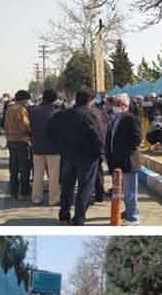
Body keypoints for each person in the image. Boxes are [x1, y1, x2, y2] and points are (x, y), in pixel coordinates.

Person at [56, 88, 105, 225]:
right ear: (90, 100)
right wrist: (99, 153)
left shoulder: (64, 114)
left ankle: (64, 216)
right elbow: (98, 137)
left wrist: (61, 148)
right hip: (87, 157)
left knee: (67, 186)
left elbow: (52, 132)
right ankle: (78, 218)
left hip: (68, 156)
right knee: (85, 188)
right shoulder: (91, 115)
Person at [107, 93, 144, 224]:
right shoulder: (115, 119)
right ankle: (128, 212)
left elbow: (138, 138)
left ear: (125, 106)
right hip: (117, 161)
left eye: (118, 105)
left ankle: (133, 217)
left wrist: (125, 150)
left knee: (130, 192)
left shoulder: (131, 119)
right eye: (115, 104)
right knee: (123, 192)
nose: (115, 107)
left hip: (128, 161)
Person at [30, 88, 61, 206]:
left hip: (37, 147)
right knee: (54, 175)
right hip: (54, 148)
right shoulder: (57, 112)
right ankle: (53, 199)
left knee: (37, 174)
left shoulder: (33, 111)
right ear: (54, 99)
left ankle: (36, 198)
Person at [3, 90, 32, 200]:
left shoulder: (10, 109)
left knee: (13, 167)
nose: (27, 102)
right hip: (21, 140)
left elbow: (5, 124)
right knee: (24, 167)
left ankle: (13, 191)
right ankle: (24, 191)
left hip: (11, 140)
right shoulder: (21, 109)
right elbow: (25, 125)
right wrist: (31, 132)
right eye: (27, 100)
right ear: (24, 99)